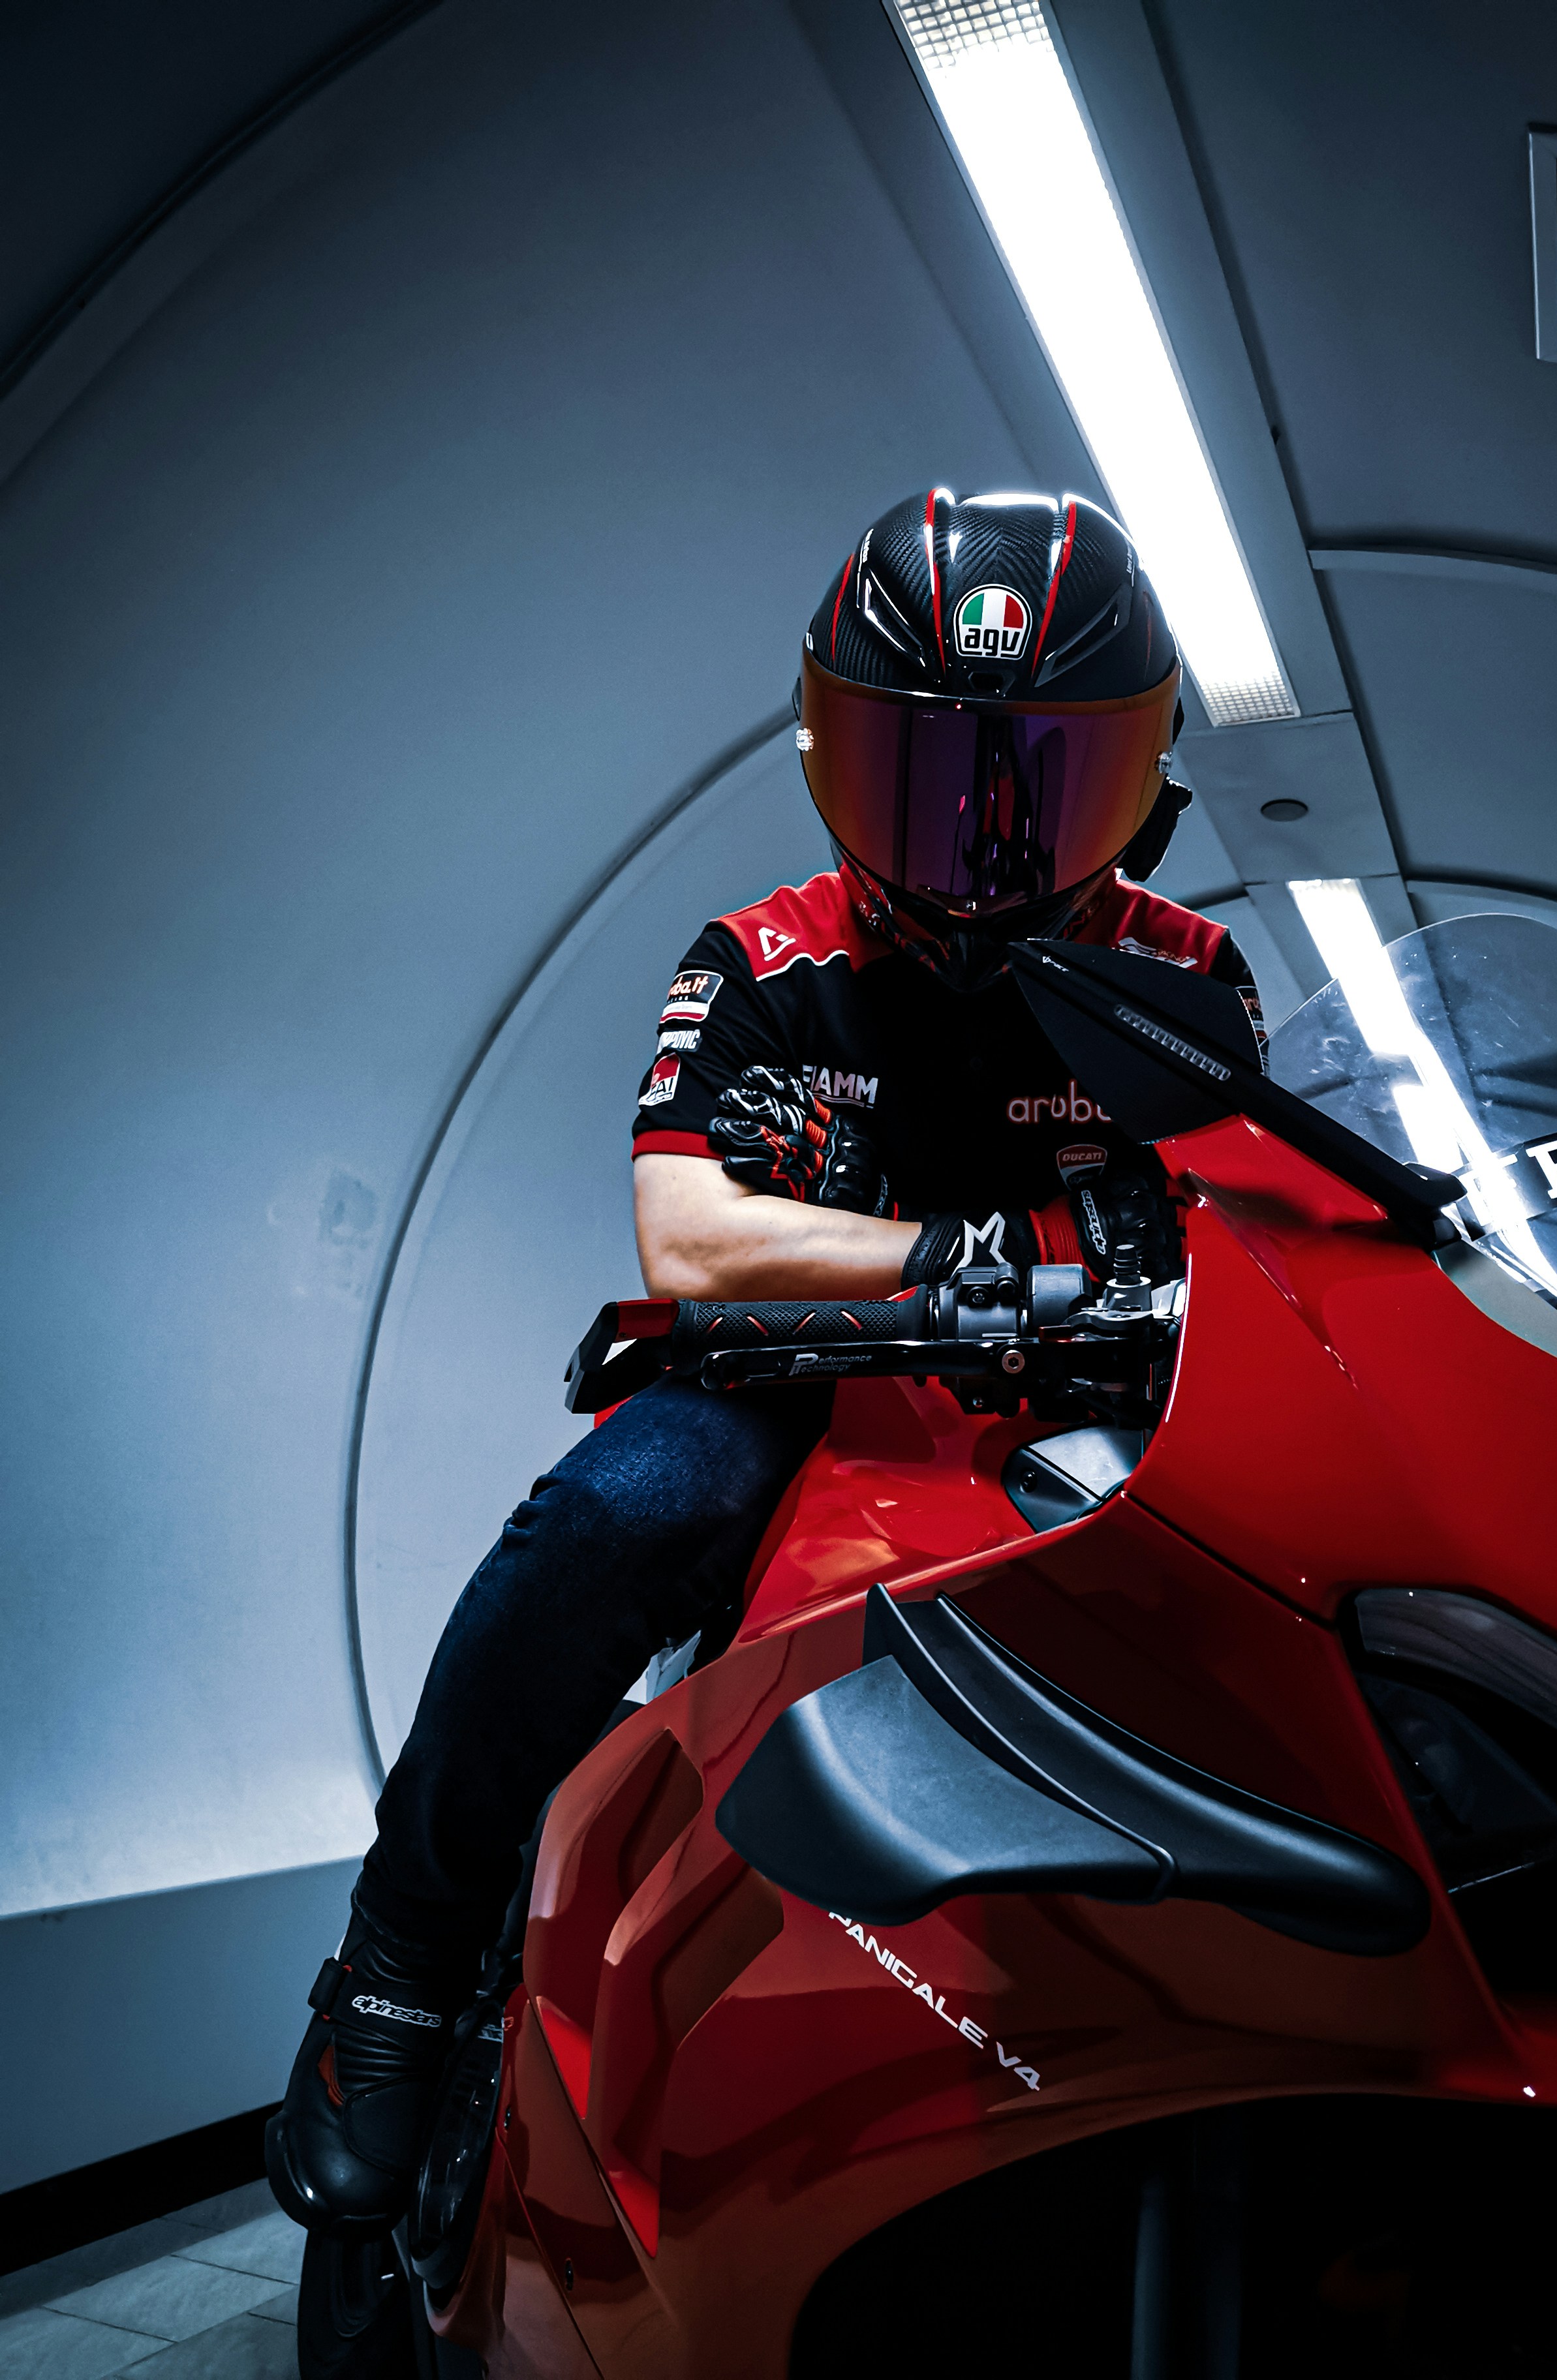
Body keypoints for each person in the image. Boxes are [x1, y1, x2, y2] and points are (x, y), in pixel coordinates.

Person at [266, 485, 1261, 2238]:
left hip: (1093, 1405)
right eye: (928, 776)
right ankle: (403, 1957)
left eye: (1042, 778)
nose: (983, 837)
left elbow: (1255, 1234)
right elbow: (691, 1237)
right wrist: (975, 1256)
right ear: (830, 755)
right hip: (784, 1386)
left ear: (1144, 774)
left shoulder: (1191, 973)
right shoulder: (762, 958)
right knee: (615, 1517)